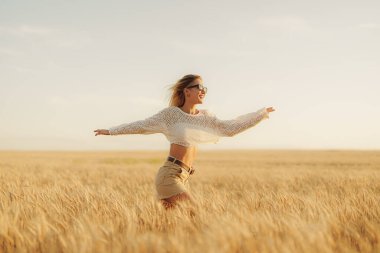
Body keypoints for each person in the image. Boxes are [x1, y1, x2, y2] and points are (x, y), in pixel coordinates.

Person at [94, 74, 275, 212]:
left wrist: (259, 115)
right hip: (169, 175)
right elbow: (141, 125)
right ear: (187, 91)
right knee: (196, 214)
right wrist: (111, 131)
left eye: (205, 87)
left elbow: (230, 128)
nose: (203, 90)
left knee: (172, 228)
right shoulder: (171, 115)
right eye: (199, 86)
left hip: (184, 177)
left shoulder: (206, 117)